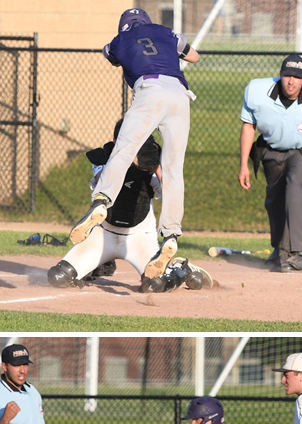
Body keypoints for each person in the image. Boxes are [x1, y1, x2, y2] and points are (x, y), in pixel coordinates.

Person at [70, 8, 199, 280]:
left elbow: (110, 56)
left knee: (124, 149)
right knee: (173, 167)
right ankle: (172, 233)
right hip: (180, 93)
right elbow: (194, 56)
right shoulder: (165, 32)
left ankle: (102, 201)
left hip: (149, 90)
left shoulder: (118, 41)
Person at [49, 119, 212, 293]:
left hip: (139, 238)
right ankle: (98, 264)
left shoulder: (149, 167)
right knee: (58, 276)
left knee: (153, 286)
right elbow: (103, 181)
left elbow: (170, 193)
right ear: (115, 143)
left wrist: (157, 164)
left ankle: (180, 270)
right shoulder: (102, 158)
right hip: (102, 236)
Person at [238, 55, 302, 273]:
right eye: (287, 75)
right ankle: (281, 251)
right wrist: (244, 164)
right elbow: (248, 127)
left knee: (295, 191)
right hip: (271, 149)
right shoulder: (256, 91)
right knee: (274, 200)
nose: (291, 81)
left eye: (297, 77)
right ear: (280, 75)